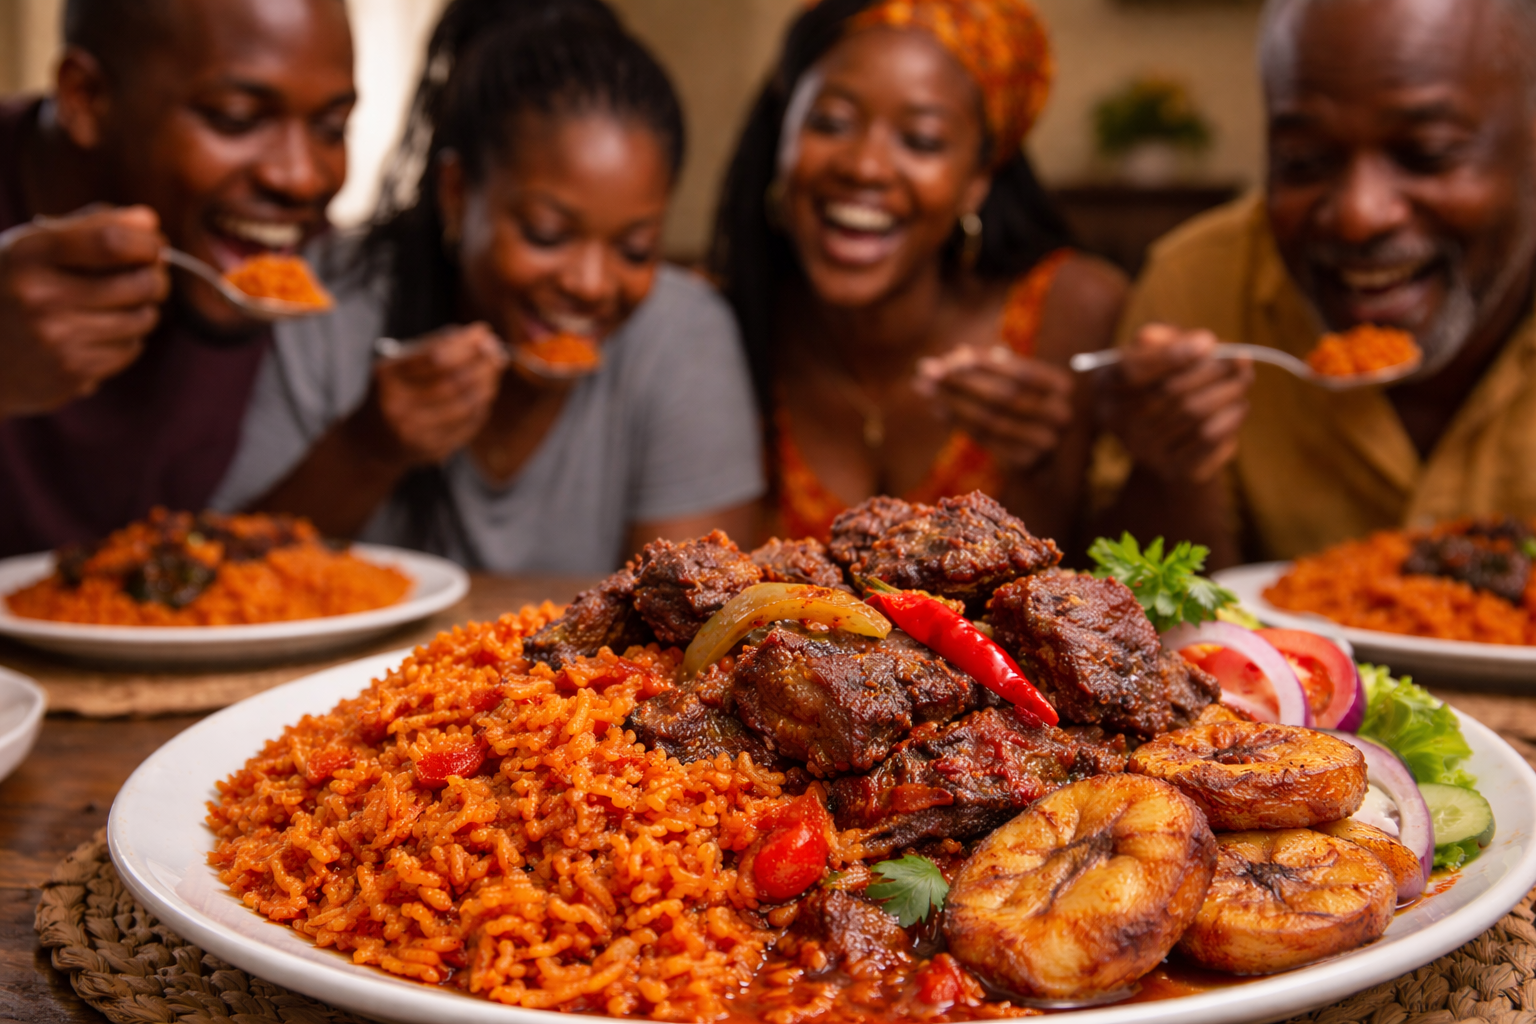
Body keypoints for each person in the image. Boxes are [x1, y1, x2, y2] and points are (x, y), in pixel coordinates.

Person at [212, 0, 763, 574]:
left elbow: (691, 608)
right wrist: (368, 448)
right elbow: (224, 576)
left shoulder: (685, 334)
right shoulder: (335, 296)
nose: (591, 284)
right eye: (546, 234)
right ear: (456, 194)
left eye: (634, 249)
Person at [1097, 0, 1536, 566]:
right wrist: (1171, 465)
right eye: (1303, 161)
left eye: (1426, 155)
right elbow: (1153, 611)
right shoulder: (1197, 286)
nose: (1359, 214)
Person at [710, 0, 1126, 548]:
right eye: (831, 123)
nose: (865, 166)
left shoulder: (1068, 313)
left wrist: (1039, 467)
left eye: (921, 140)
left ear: (978, 178)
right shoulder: (722, 325)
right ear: (782, 138)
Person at [0, 0, 355, 557]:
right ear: (86, 98)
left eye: (331, 127)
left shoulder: (298, 257)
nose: (301, 177)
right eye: (235, 118)